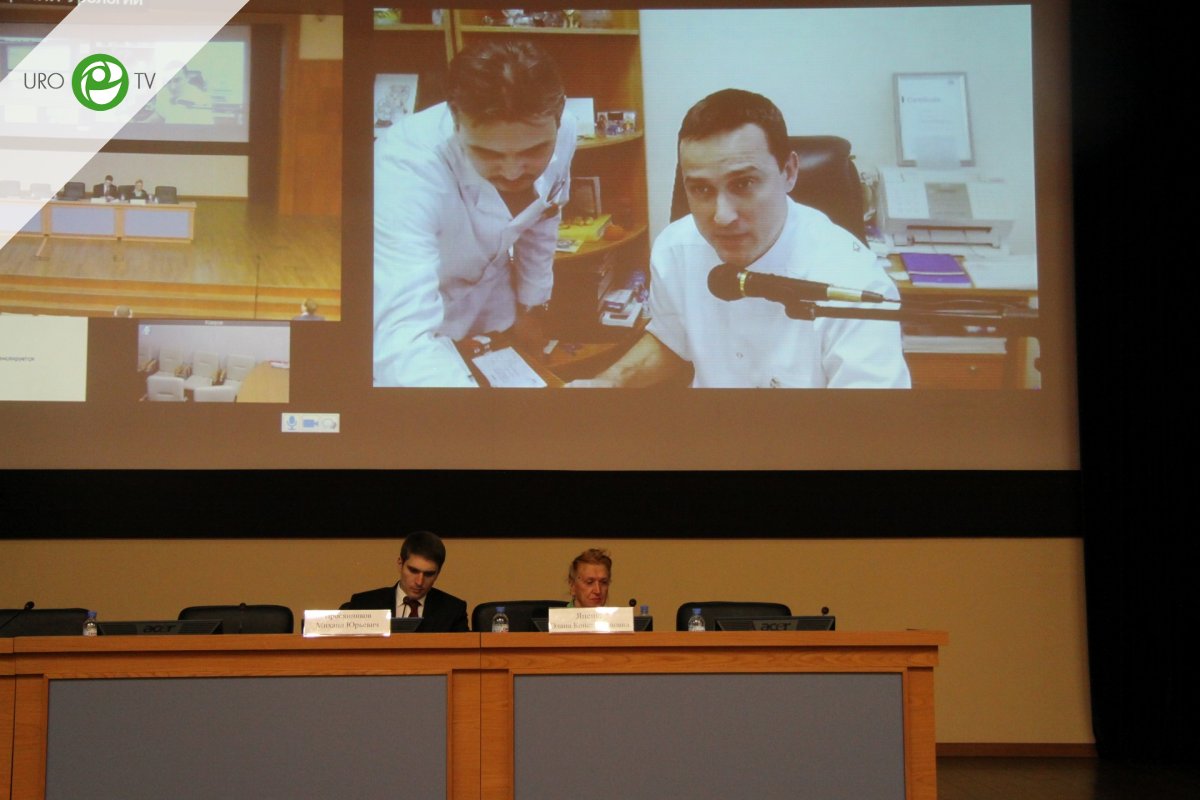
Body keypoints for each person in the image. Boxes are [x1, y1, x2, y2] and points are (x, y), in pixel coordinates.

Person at [579, 89, 910, 389]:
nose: (722, 217)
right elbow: (672, 339)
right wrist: (611, 381)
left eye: (743, 184)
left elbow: (867, 424)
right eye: (701, 189)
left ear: (789, 172)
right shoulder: (675, 249)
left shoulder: (854, 283)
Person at [373, 40, 576, 387]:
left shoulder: (564, 128)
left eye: (533, 150)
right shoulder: (404, 169)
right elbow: (402, 338)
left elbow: (542, 218)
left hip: (494, 301)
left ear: (558, 116)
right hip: (419, 316)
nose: (512, 172)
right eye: (488, 153)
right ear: (456, 122)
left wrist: (531, 307)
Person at [341, 531, 469, 632]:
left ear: (438, 573)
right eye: (413, 571)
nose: (419, 582)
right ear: (400, 564)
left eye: (429, 574)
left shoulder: (453, 611)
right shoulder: (364, 605)